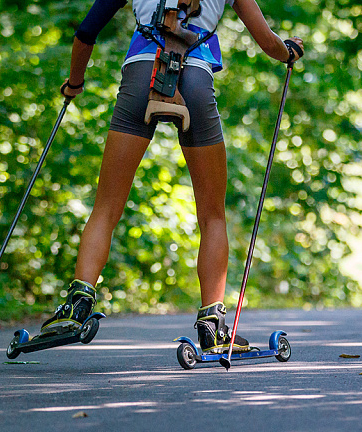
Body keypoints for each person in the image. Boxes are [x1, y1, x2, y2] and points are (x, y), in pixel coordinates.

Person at [40, 0, 303, 353]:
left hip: (140, 77)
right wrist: (287, 52)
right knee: (212, 215)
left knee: (106, 207)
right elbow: (268, 43)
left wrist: (75, 83)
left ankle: (77, 304)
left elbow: (86, 32)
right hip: (195, 79)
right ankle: (212, 324)